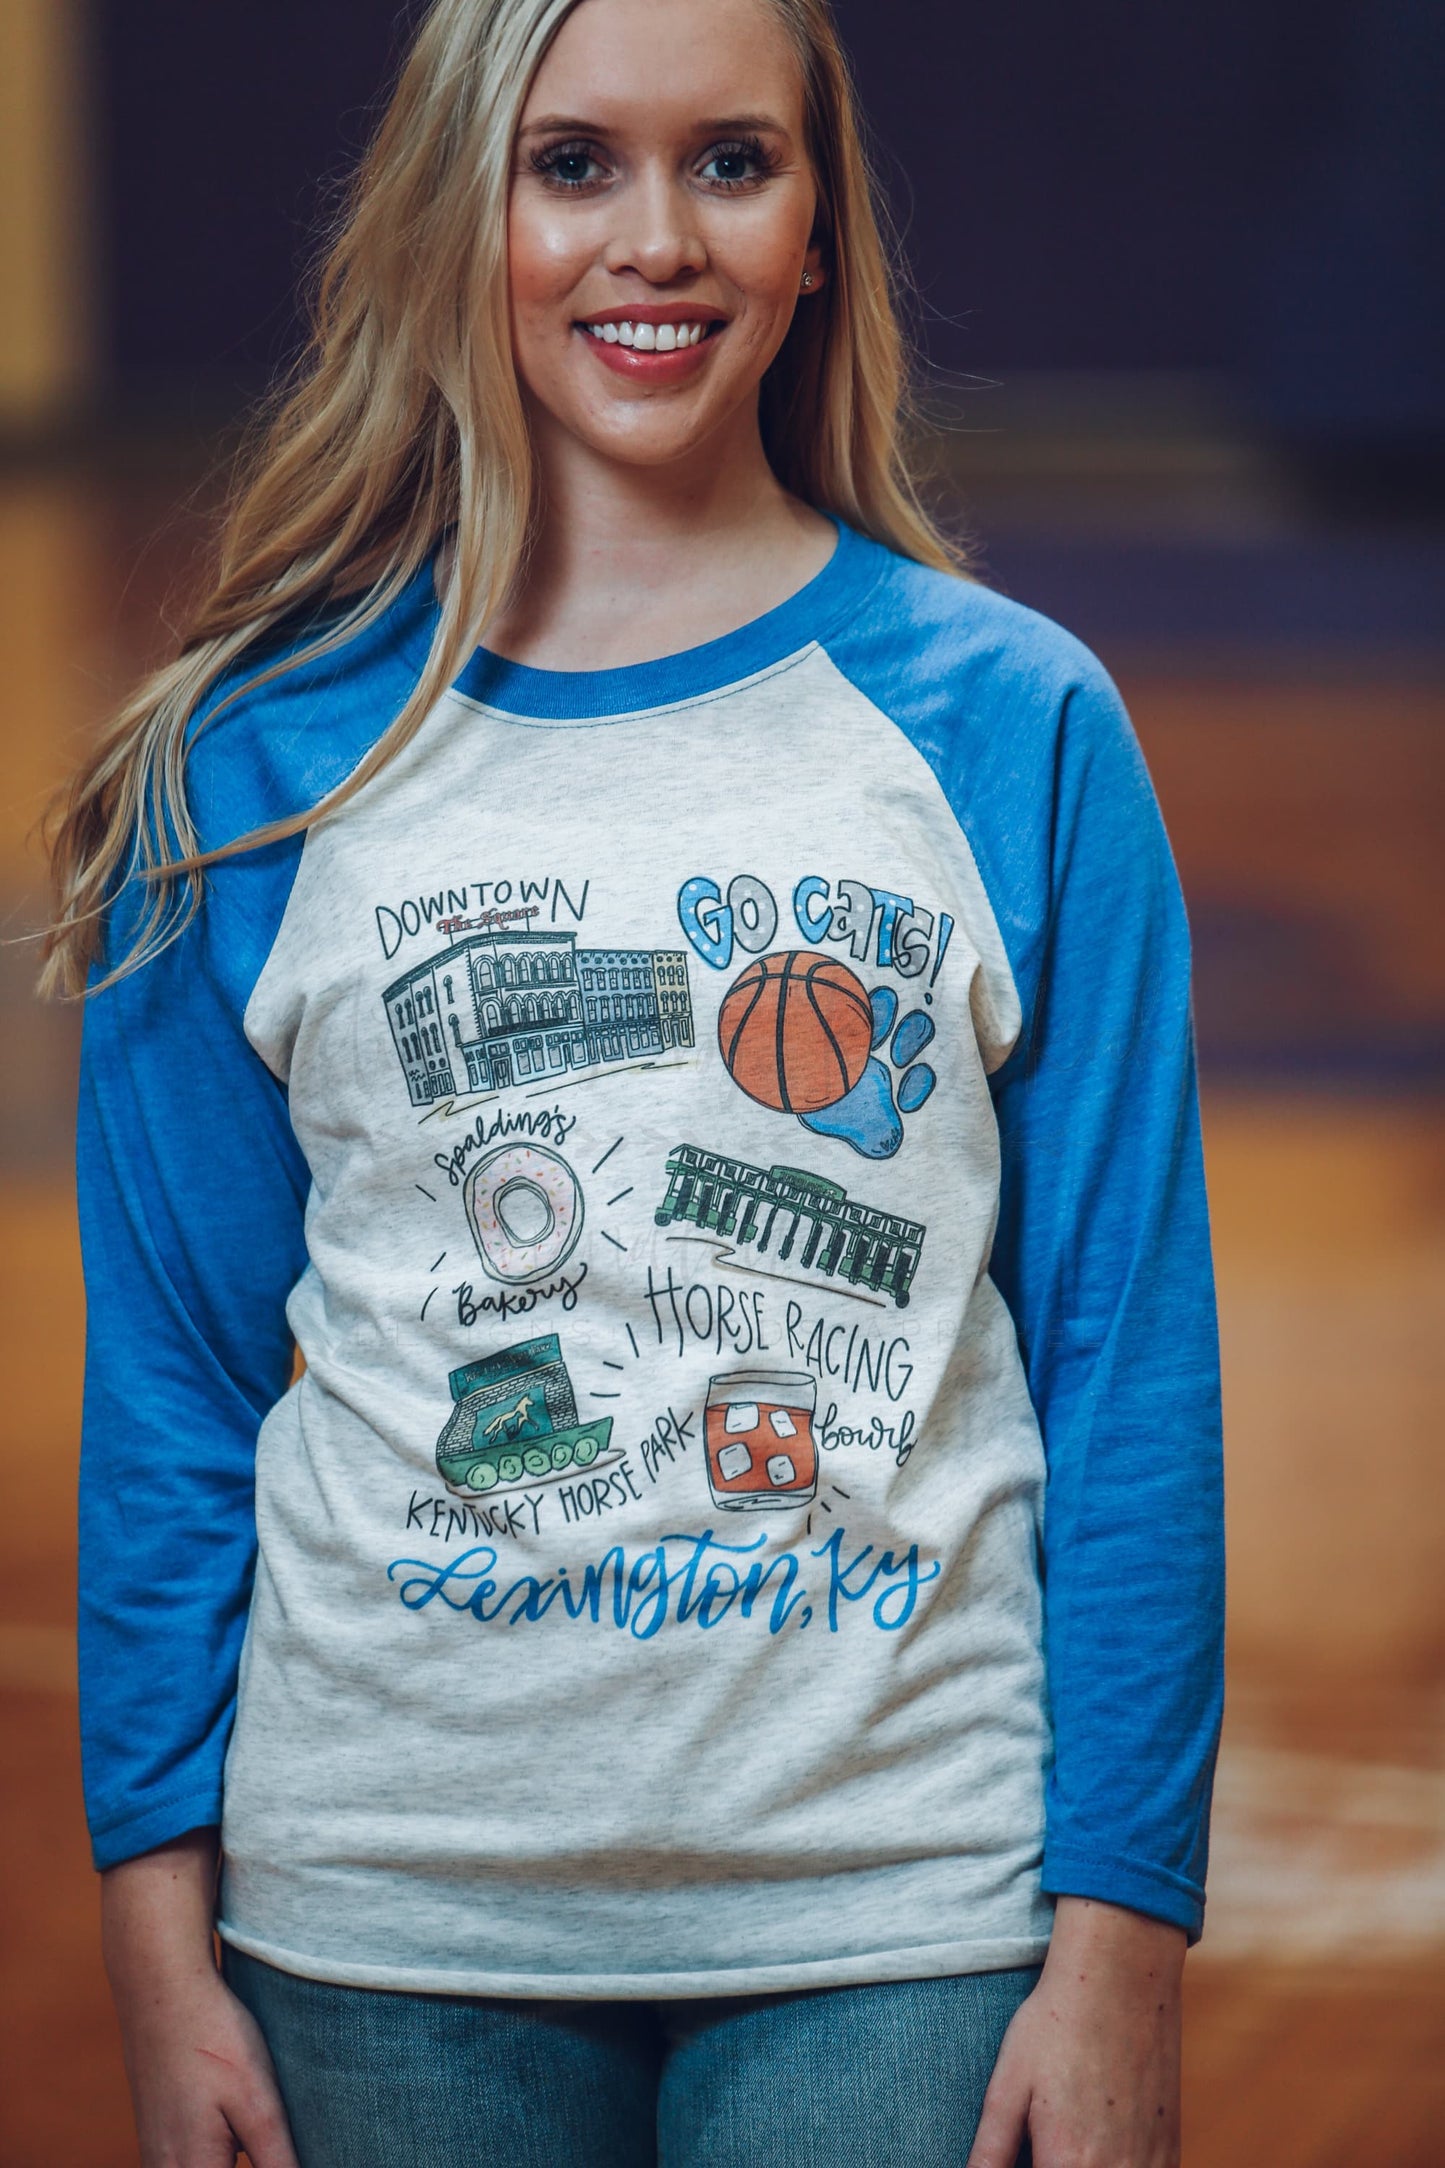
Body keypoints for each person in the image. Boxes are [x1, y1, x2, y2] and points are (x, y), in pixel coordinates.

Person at [46, 1, 1224, 2162]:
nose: (656, 238)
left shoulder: (1012, 723)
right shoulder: (249, 764)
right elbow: (178, 1397)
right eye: (573, 162)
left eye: (731, 162)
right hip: (384, 1911)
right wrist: (152, 1940)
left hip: (901, 1899)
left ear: (817, 230)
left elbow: (1126, 1365)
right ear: (458, 210)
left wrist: (1122, 1943)